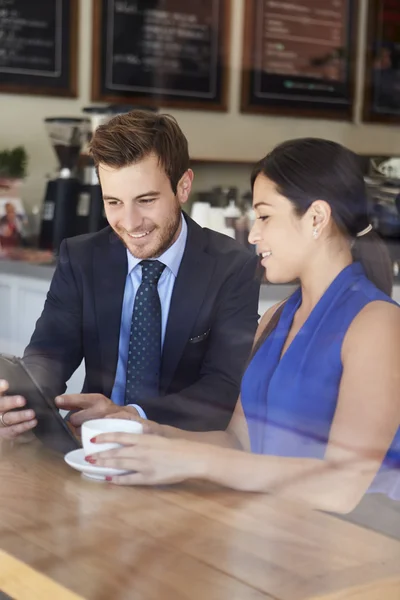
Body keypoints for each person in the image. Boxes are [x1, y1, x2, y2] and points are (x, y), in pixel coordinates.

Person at [86, 138, 400, 515]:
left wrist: (195, 462)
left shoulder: (378, 325)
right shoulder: (276, 319)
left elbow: (342, 485)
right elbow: (238, 442)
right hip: (271, 535)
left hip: (357, 555)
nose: (253, 235)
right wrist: (146, 431)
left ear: (316, 218)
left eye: (264, 216)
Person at [0, 110, 260, 439]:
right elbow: (50, 352)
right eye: (113, 202)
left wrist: (133, 416)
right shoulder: (81, 257)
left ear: (183, 187)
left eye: (146, 200)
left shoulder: (232, 267)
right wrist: (22, 400)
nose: (130, 222)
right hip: (91, 446)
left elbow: (223, 385)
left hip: (183, 450)